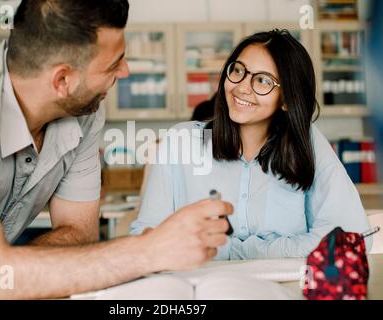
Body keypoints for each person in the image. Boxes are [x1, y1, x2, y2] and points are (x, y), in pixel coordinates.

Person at [0, 0, 232, 299]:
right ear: (62, 80)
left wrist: (0, 270)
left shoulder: (84, 111)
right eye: (114, 64)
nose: (125, 71)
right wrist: (151, 250)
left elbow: (78, 234)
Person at [131, 30, 372, 259]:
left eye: (263, 81)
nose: (242, 87)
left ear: (287, 100)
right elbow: (145, 237)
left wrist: (231, 250)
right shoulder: (180, 141)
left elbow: (352, 238)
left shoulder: (306, 142)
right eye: (238, 71)